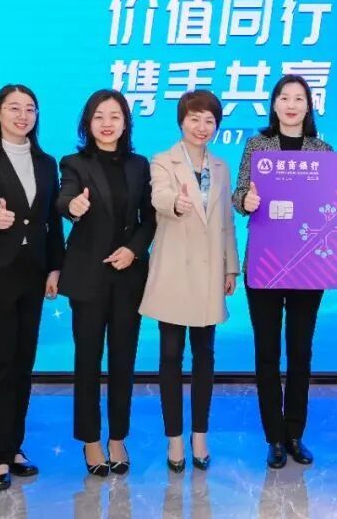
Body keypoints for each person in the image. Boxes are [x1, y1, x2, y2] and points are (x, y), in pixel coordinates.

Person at [0, 84, 64, 492]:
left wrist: (55, 268)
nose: (23, 116)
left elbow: (52, 220)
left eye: (30, 109)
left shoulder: (46, 162)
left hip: (33, 273)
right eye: (14, 108)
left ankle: (16, 447)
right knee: (1, 364)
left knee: (23, 364)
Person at [232, 75, 333, 469]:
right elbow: (239, 194)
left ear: (309, 106)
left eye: (299, 98)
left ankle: (295, 434)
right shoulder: (257, 145)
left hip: (309, 265)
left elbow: (331, 204)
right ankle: (274, 436)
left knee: (300, 351)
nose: (291, 105)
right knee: (267, 352)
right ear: (274, 104)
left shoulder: (322, 150)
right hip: (265, 263)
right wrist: (247, 199)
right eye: (284, 98)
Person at [56, 90, 155, 477]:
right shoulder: (74, 163)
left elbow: (149, 218)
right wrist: (73, 207)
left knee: (123, 360)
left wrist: (133, 250)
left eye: (115, 116)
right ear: (88, 123)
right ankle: (91, 440)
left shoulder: (139, 165)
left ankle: (117, 437)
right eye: (99, 116)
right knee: (87, 360)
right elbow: (64, 198)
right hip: (88, 277)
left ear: (126, 122)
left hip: (128, 276)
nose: (107, 123)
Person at [140, 90, 240, 474]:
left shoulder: (221, 167)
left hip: (210, 271)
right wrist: (176, 203)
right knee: (170, 356)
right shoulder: (162, 160)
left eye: (209, 120)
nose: (202, 127)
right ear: (181, 121)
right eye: (194, 118)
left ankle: (200, 435)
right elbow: (160, 196)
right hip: (174, 271)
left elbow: (226, 222)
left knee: (205, 355)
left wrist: (231, 267)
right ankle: (174, 438)